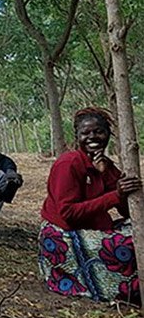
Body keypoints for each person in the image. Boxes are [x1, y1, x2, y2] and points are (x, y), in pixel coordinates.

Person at [39, 108, 141, 304]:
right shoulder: (68, 164)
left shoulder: (105, 165)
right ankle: (120, 291)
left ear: (108, 135)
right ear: (77, 136)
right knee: (127, 248)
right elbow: (68, 213)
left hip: (95, 227)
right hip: (65, 234)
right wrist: (115, 194)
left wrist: (108, 176)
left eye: (99, 132)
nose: (92, 137)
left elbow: (127, 210)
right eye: (85, 133)